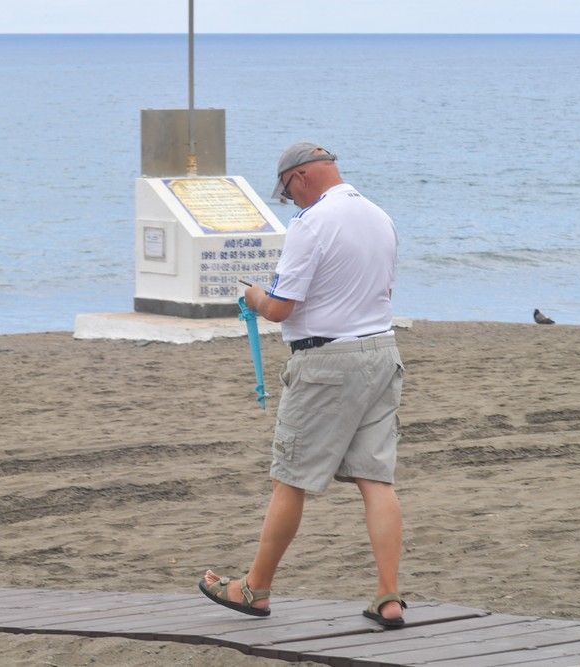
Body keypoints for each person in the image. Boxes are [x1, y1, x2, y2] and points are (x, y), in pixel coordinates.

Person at [199, 142, 407, 628]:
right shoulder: (380, 217)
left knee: (289, 478)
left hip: (327, 363)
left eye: (288, 191)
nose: (291, 201)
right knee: (376, 479)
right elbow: (382, 291)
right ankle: (389, 596)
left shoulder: (312, 224)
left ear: (300, 177)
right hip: (381, 351)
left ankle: (255, 589)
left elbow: (280, 307)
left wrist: (252, 293)